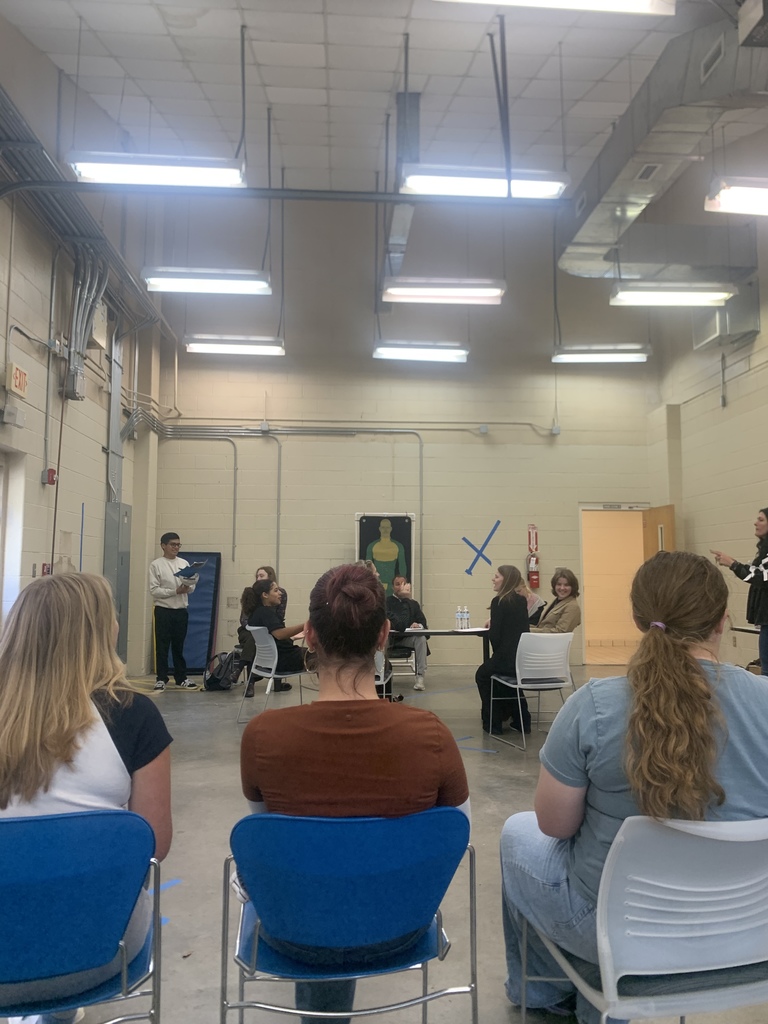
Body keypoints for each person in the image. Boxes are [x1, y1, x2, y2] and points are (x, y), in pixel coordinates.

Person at [499, 550, 768, 1024]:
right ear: (723, 621)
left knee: (518, 835)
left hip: (612, 924)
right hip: (744, 929)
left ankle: (540, 996)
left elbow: (555, 825)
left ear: (640, 619)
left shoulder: (596, 706)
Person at [239, 562, 469, 1024]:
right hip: (402, 923)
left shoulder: (264, 737)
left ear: (311, 637)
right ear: (385, 635)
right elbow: (454, 834)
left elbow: (269, 832)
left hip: (296, 930)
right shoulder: (430, 735)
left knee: (315, 881)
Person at [0, 573, 172, 1015]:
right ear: (95, 633)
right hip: (97, 955)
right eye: (112, 614)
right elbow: (154, 845)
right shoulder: (134, 716)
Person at [711, 507, 768, 675]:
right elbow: (754, 572)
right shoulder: (763, 551)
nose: (755, 523)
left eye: (761, 519)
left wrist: (733, 564)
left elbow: (761, 577)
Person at [475, 565, 530, 736]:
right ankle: (522, 721)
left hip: (505, 658)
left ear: (506, 580)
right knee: (506, 680)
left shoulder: (498, 601)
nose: (493, 579)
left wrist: (497, 653)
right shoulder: (521, 601)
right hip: (520, 659)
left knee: (483, 675)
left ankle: (493, 722)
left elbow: (495, 636)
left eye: (497, 576)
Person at [149, 531, 197, 690]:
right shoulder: (156, 564)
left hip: (181, 610)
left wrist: (187, 587)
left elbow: (192, 585)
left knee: (179, 645)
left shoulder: (183, 563)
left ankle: (181, 677)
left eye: (178, 544)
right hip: (163, 610)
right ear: (163, 546)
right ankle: (161, 678)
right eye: (172, 544)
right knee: (162, 646)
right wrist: (174, 591)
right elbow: (154, 590)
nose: (176, 547)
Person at [246, 579, 306, 694]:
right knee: (326, 657)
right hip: (283, 660)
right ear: (265, 595)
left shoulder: (257, 613)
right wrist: (305, 625)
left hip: (273, 660)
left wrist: (293, 637)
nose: (280, 593)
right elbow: (279, 634)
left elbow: (273, 639)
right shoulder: (266, 613)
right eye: (276, 590)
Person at [386, 575, 429, 691]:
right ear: (392, 587)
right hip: (389, 638)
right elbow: (398, 624)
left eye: (403, 584)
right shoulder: (386, 602)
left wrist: (418, 625)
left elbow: (424, 623)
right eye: (397, 584)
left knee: (421, 638)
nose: (400, 587)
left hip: (407, 639)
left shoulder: (413, 604)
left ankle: (420, 676)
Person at [365, 518, 407, 596]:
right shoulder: (372, 546)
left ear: (391, 529)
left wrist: (401, 586)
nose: (385, 530)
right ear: (380, 529)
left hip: (392, 586)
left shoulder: (398, 546)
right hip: (376, 586)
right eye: (383, 527)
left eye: (387, 527)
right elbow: (367, 568)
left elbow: (402, 567)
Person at [531, 568, 581, 634]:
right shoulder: (557, 601)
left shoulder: (572, 606)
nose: (562, 588)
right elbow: (543, 626)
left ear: (573, 587)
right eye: (559, 584)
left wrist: (529, 631)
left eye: (566, 585)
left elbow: (560, 631)